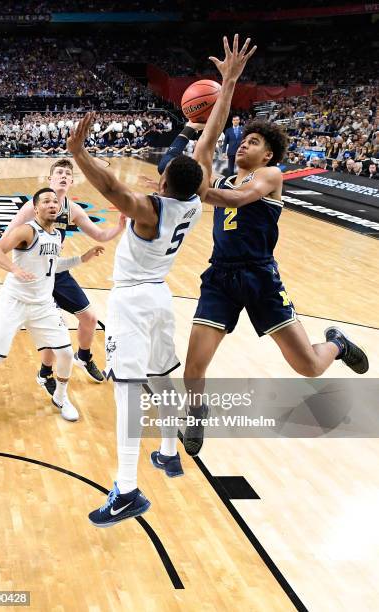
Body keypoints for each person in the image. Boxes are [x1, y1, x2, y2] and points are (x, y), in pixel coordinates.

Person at [158, 35, 369, 457]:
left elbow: (236, 199)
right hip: (220, 275)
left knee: (308, 367)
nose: (244, 145)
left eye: (253, 142)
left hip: (259, 275)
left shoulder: (270, 178)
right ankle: (195, 415)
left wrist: (198, 191)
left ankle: (338, 344)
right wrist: (229, 84)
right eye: (244, 140)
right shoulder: (223, 176)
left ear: (269, 153)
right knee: (195, 364)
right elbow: (206, 142)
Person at [66, 112, 204, 527]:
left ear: (162, 183)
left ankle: (126, 490)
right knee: (161, 378)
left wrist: (78, 151)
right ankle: (168, 451)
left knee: (127, 392)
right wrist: (220, 96)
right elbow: (203, 151)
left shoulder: (148, 211)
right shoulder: (195, 203)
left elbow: (109, 187)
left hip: (132, 301)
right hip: (162, 296)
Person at [0, 188, 104, 421]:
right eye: (46, 201)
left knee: (66, 353)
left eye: (55, 202)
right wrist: (15, 268)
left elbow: (53, 266)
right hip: (14, 302)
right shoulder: (26, 231)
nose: (52, 205)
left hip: (43, 305)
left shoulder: (57, 235)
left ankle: (60, 396)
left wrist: (82, 258)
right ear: (35, 208)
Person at [1, 158, 125, 395]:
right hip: (37, 277)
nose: (64, 176)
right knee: (53, 326)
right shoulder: (31, 207)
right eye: (59, 172)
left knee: (89, 318)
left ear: (71, 181)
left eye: (68, 173)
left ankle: (84, 357)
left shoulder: (73, 209)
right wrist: (19, 265)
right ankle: (45, 372)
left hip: (58, 271)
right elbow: (8, 236)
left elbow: (99, 234)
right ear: (50, 179)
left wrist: (119, 226)